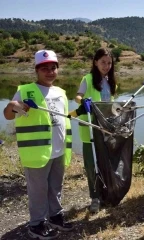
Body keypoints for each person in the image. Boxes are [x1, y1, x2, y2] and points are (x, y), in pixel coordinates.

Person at [3, 50, 74, 239]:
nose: (50, 72)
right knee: (38, 190)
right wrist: (12, 105)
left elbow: (65, 119)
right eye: (45, 68)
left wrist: (82, 110)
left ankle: (55, 217)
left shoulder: (61, 92)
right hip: (36, 152)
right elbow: (8, 114)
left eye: (53, 68)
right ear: (37, 70)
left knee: (55, 186)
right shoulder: (25, 90)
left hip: (59, 149)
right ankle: (36, 224)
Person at [75, 48, 117, 213]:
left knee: (106, 162)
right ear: (95, 62)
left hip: (105, 129)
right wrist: (83, 100)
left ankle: (106, 192)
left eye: (109, 63)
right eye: (103, 62)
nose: (106, 66)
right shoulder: (88, 78)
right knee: (91, 165)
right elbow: (78, 96)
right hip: (90, 130)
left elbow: (111, 104)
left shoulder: (111, 81)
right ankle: (95, 197)